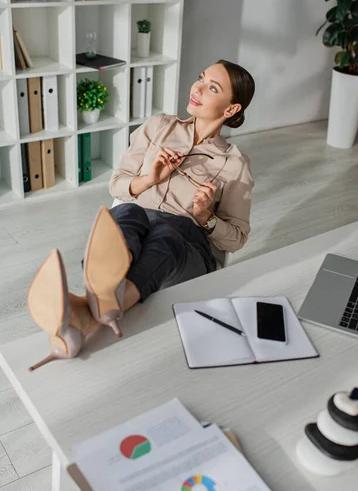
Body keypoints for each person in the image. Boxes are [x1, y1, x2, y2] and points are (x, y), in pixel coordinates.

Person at [27, 60, 255, 370]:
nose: (197, 88)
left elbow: (237, 238)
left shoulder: (234, 163)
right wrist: (149, 179)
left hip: (186, 245)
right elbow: (117, 184)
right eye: (201, 78)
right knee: (127, 213)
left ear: (230, 109)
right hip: (137, 219)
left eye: (212, 88)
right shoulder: (158, 126)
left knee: (167, 235)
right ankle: (95, 307)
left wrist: (206, 217)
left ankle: (86, 312)